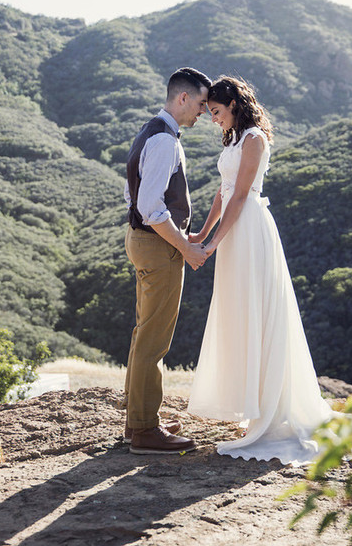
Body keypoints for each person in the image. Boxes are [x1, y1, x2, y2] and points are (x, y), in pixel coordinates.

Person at [188, 76, 352, 464]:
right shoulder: (233, 139)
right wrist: (202, 233)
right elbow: (222, 191)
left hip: (249, 229)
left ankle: (271, 411)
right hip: (233, 232)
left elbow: (240, 196)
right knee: (239, 312)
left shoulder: (254, 139)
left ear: (233, 104)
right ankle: (255, 404)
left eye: (216, 112)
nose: (213, 119)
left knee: (258, 311)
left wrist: (212, 243)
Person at [123, 66, 211, 455]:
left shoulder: (150, 131)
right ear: (183, 98)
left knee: (144, 332)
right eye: (201, 104)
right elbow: (149, 206)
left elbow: (134, 196)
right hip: (158, 247)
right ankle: (145, 430)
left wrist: (176, 232)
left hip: (145, 241)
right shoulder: (165, 141)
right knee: (154, 339)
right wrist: (184, 247)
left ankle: (137, 421)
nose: (203, 112)